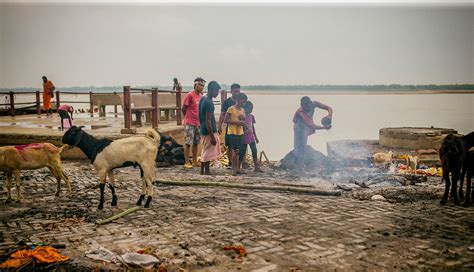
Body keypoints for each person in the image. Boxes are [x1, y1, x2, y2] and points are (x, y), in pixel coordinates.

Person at [293, 96, 333, 171]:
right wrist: (325, 128)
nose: (306, 108)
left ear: (310, 103)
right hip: (299, 127)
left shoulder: (314, 104)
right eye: (304, 107)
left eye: (307, 106)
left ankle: (301, 164)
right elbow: (312, 126)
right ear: (302, 106)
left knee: (304, 145)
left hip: (306, 126)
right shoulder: (301, 112)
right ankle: (299, 166)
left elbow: (329, 108)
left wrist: (329, 115)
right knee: (299, 146)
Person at [198, 81, 222, 175]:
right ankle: (206, 171)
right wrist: (212, 136)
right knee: (207, 152)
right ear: (211, 90)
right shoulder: (209, 103)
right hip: (208, 130)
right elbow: (208, 120)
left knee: (205, 150)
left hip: (203, 128)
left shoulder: (203, 98)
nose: (217, 93)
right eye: (216, 91)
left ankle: (202, 171)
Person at [182, 77, 205, 169]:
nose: (202, 87)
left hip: (198, 123)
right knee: (188, 142)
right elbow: (184, 108)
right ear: (195, 85)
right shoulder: (190, 95)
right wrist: (187, 118)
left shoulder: (201, 97)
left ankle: (195, 160)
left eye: (203, 86)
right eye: (200, 85)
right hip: (190, 123)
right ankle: (187, 161)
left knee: (196, 142)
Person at [224, 93, 248, 176]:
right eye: (243, 101)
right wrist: (237, 122)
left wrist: (243, 121)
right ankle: (233, 169)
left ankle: (238, 167)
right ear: (238, 100)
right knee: (235, 150)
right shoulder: (231, 109)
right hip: (232, 132)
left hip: (240, 132)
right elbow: (225, 120)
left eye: (245, 102)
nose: (244, 103)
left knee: (240, 151)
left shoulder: (242, 110)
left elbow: (244, 120)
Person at [218, 83, 241, 168]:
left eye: (238, 91)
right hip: (230, 127)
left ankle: (240, 162)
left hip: (241, 127)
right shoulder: (227, 102)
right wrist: (219, 126)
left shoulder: (242, 101)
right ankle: (230, 162)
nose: (237, 93)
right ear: (231, 91)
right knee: (230, 146)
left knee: (241, 145)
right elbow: (222, 115)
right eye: (235, 91)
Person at [239, 101, 263, 173]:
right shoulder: (242, 116)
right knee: (242, 152)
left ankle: (256, 167)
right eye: (250, 108)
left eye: (252, 108)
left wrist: (256, 137)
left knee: (254, 151)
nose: (251, 110)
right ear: (244, 108)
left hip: (251, 136)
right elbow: (240, 127)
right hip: (244, 136)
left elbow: (252, 127)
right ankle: (238, 166)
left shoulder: (251, 116)